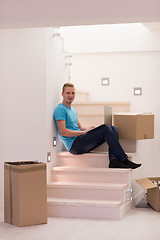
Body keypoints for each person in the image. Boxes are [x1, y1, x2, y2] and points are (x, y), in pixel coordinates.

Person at [54, 83, 141, 169]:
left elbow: (80, 127)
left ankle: (113, 160)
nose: (70, 95)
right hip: (74, 145)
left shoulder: (72, 109)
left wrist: (92, 129)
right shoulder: (60, 109)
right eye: (68, 93)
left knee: (113, 128)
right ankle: (124, 159)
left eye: (73, 93)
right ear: (62, 94)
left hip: (80, 139)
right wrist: (82, 133)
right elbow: (63, 131)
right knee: (106, 129)